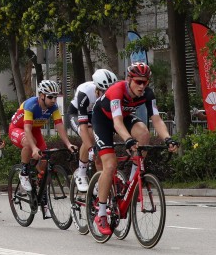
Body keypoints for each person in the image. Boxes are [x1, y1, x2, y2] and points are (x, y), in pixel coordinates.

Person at [90, 62, 177, 236]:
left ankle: (133, 182)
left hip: (124, 116)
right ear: (129, 79)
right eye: (138, 82)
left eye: (145, 82)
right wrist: (128, 140)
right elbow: (117, 122)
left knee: (144, 133)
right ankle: (100, 214)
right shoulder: (116, 90)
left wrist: (167, 138)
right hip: (103, 120)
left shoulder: (147, 94)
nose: (142, 86)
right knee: (110, 165)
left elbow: (157, 119)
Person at [9, 80, 78, 208]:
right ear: (41, 95)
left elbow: (59, 125)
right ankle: (23, 172)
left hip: (35, 130)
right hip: (17, 129)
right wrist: (34, 148)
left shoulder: (53, 107)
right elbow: (27, 129)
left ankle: (41, 189)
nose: (53, 100)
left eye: (55, 97)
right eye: (50, 97)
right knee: (31, 144)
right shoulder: (31, 105)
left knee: (45, 159)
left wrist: (68, 144)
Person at [68, 69, 118, 192]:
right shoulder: (84, 92)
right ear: (96, 88)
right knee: (89, 136)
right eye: (104, 92)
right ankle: (81, 173)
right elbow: (84, 127)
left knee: (102, 148)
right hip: (77, 114)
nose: (107, 95)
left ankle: (99, 183)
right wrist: (90, 149)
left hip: (97, 115)